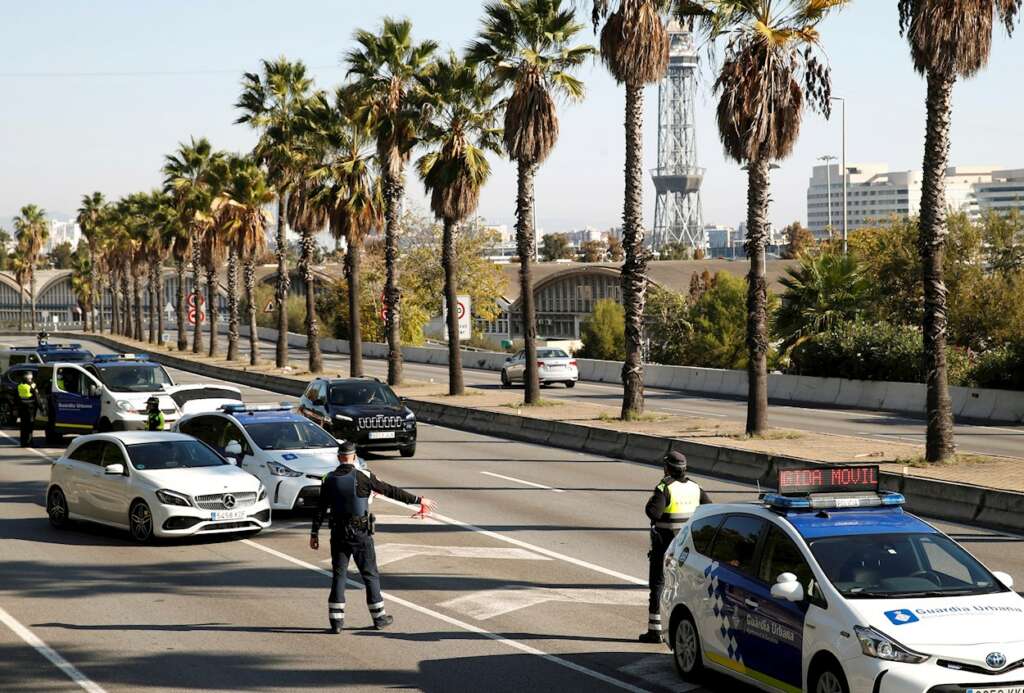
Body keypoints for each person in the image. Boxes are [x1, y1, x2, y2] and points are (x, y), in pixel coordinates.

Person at [310, 441, 436, 634]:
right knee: (369, 574)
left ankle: (336, 622)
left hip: (338, 533)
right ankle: (379, 618)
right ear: (354, 457)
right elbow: (391, 490)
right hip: (360, 533)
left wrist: (314, 533)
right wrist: (418, 500)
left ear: (338, 457)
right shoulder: (364, 476)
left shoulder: (328, 479)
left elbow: (320, 509)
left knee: (339, 575)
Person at [639, 450, 711, 644]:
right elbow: (708, 507)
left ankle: (655, 630)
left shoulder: (665, 487)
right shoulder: (696, 487)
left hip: (666, 546)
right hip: (689, 548)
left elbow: (653, 512)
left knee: (658, 585)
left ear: (668, 469)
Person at [17, 372, 39, 447]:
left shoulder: (19, 385)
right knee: (30, 427)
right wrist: (42, 409)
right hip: (31, 409)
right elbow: (37, 398)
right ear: (30, 378)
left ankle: (23, 443)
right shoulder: (32, 385)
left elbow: (16, 398)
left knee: (23, 427)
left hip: (22, 409)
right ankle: (29, 443)